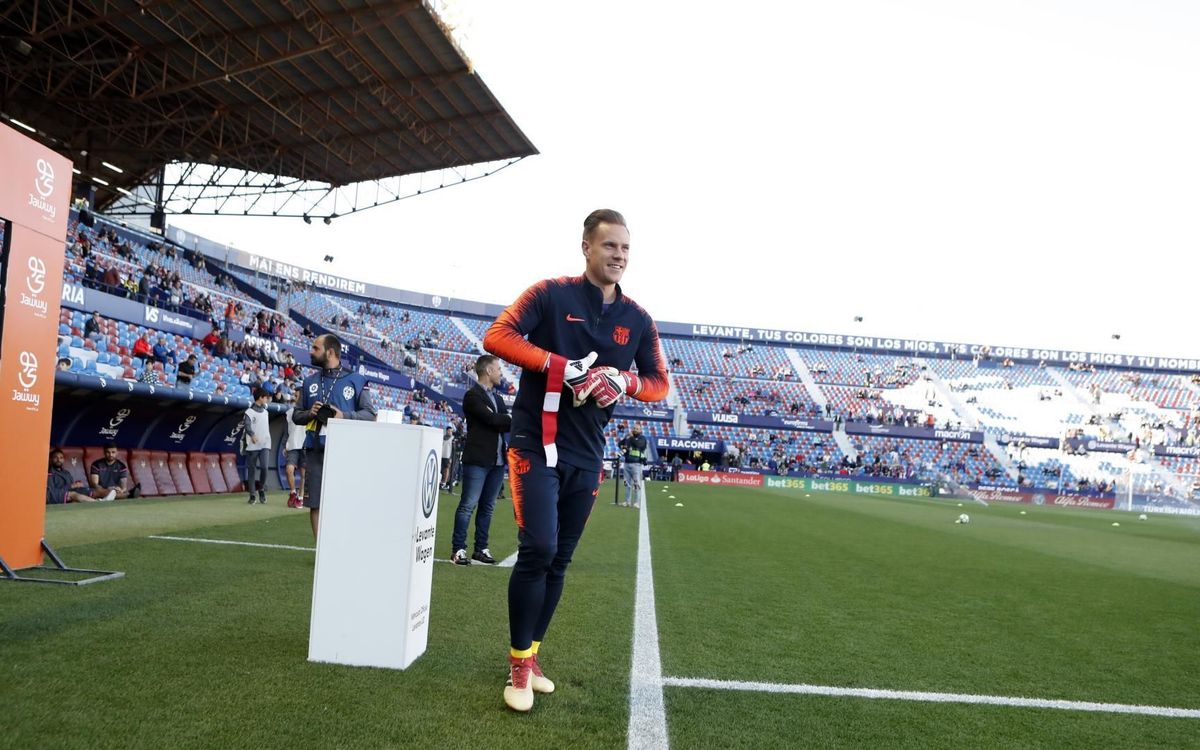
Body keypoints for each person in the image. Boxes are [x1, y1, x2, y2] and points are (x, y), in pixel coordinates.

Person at [482, 209, 669, 711]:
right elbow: (497, 336)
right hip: (535, 442)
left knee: (560, 559)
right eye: (610, 246)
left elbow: (659, 383)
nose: (619, 256)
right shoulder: (550, 294)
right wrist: (559, 367)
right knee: (538, 548)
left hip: (588, 452)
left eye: (625, 248)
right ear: (587, 247)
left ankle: (532, 656)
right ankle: (518, 666)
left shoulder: (638, 319)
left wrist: (623, 381)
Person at [291, 333, 376, 538]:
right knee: (315, 503)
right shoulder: (309, 381)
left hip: (347, 452)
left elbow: (370, 414)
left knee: (345, 503)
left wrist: (343, 416)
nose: (311, 351)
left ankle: (343, 546)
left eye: (315, 348)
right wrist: (309, 413)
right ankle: (320, 550)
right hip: (315, 451)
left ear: (330, 352)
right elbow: (296, 415)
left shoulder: (356, 380)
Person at [450, 355, 511, 566]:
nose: (501, 373)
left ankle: (481, 549)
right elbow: (492, 419)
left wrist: (501, 420)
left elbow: (505, 423)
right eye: (498, 369)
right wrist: (501, 419)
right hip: (477, 459)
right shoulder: (472, 395)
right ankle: (458, 549)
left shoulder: (498, 399)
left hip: (497, 461)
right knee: (468, 505)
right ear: (488, 371)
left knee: (488, 507)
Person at [242, 386, 271, 504]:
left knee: (265, 467)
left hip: (265, 444)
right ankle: (252, 495)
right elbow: (247, 425)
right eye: (266, 397)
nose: (267, 400)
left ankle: (261, 489)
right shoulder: (249, 412)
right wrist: (252, 435)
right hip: (252, 445)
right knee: (252, 471)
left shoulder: (266, 412)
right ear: (260, 398)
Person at [284, 400, 308, 508]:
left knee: (304, 474)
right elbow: (286, 431)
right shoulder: (289, 412)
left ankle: (300, 498)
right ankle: (293, 492)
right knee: (289, 470)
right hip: (292, 445)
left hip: (305, 445)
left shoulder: (310, 411)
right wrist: (285, 445)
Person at [618, 424, 648, 508]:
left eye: (637, 429)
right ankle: (627, 501)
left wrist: (631, 437)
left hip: (637, 464)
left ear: (640, 430)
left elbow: (638, 445)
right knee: (626, 483)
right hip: (627, 463)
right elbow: (619, 444)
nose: (635, 429)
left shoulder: (642, 438)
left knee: (636, 484)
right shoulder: (629, 437)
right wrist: (626, 438)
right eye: (634, 428)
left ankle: (637, 502)